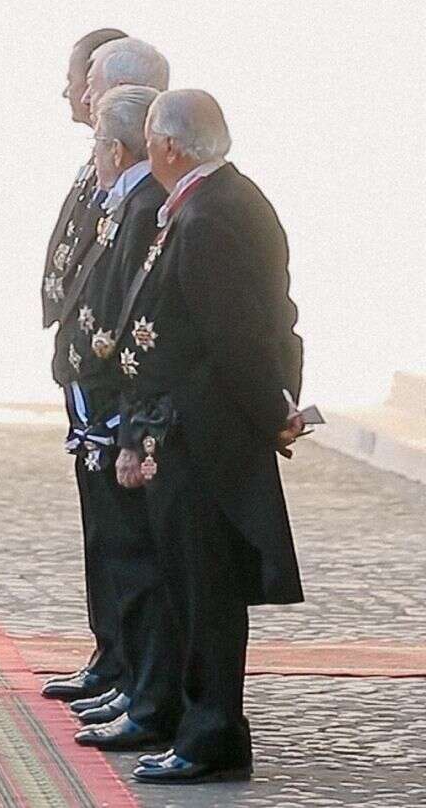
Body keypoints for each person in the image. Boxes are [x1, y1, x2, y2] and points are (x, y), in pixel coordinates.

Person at [116, 90, 304, 784]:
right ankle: (203, 726)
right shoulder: (214, 201)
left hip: (205, 438)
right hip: (189, 430)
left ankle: (211, 734)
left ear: (169, 146)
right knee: (193, 591)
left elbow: (237, 336)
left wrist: (274, 410)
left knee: (205, 597)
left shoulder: (207, 217)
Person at [53, 85, 180, 750]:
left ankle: (147, 690)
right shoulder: (126, 201)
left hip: (122, 405)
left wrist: (124, 415)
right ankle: (130, 677)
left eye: (100, 141)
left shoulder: (142, 206)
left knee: (137, 559)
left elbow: (134, 316)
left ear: (117, 146)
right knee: (118, 553)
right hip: (104, 399)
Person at [39, 27, 127, 703]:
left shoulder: (132, 179)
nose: (76, 92)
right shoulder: (94, 161)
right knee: (103, 533)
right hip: (82, 369)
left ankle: (131, 666)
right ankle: (111, 653)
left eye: (85, 80)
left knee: (125, 537)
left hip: (112, 380)